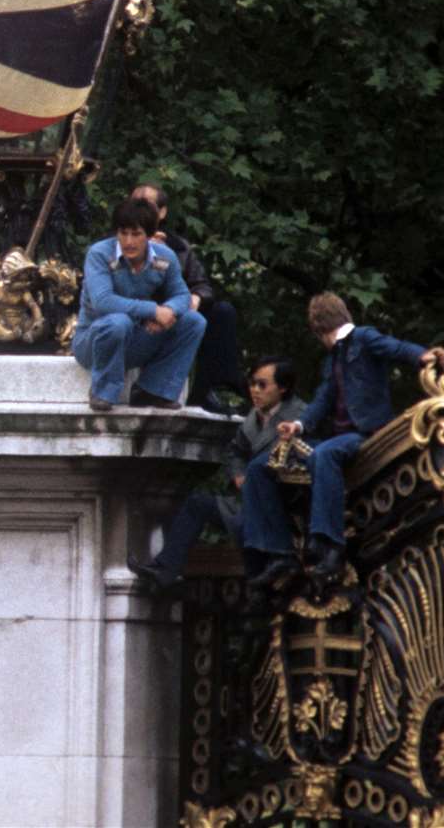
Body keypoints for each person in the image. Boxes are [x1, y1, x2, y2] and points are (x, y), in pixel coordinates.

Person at [245, 293, 444, 587]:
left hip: (366, 435)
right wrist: (298, 426)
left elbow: (395, 348)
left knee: (322, 455)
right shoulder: (332, 360)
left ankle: (329, 544)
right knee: (260, 467)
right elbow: (322, 401)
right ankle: (279, 553)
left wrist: (423, 356)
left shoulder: (363, 338)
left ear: (317, 328)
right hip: (338, 440)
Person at [130, 357, 305, 591]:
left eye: (262, 385)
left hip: (279, 510)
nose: (255, 390)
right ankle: (166, 569)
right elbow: (235, 451)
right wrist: (239, 474)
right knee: (197, 504)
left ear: (282, 388)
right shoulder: (254, 417)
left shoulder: (300, 416)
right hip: (248, 503)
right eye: (252, 384)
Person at [72, 198, 206, 411]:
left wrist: (169, 312)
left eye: (136, 234)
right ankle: (102, 392)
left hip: (134, 337)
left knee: (194, 321)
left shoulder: (165, 256)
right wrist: (153, 310)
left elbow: (182, 295)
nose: (128, 242)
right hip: (94, 340)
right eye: (123, 233)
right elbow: (103, 302)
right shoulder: (99, 253)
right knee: (118, 321)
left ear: (151, 235)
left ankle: (154, 390)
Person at [130, 183, 244, 413]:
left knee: (221, 312)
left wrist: (195, 298)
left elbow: (202, 285)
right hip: (137, 314)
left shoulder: (178, 246)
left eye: (148, 205)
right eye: (135, 204)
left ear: (162, 213)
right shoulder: (117, 241)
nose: (141, 210)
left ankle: (209, 389)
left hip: (175, 312)